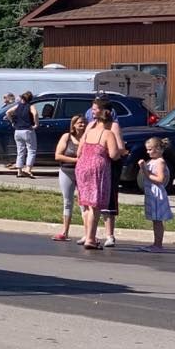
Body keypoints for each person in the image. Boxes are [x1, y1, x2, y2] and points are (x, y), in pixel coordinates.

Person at [75, 106, 120, 250]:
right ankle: (90, 239)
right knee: (95, 205)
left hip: (82, 166)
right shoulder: (108, 134)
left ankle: (90, 236)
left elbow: (79, 151)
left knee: (87, 204)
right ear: (109, 121)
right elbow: (113, 155)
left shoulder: (88, 132)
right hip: (97, 168)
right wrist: (121, 151)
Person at [85, 98, 126, 247]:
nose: (92, 111)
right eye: (92, 108)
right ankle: (89, 234)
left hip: (110, 165)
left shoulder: (113, 126)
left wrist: (103, 150)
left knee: (107, 199)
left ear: (104, 111)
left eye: (95, 108)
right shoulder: (91, 125)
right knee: (90, 200)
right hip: (93, 165)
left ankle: (109, 235)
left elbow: (119, 149)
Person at [52, 116, 86, 241]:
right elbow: (58, 155)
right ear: (74, 125)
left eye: (84, 123)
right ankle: (65, 232)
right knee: (68, 201)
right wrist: (76, 160)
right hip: (66, 171)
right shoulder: (67, 137)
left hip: (82, 173)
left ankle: (88, 234)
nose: (82, 124)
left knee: (84, 203)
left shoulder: (87, 138)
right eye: (80, 123)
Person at [138, 137, 173, 252]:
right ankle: (155, 243)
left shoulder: (160, 162)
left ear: (158, 149)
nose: (148, 152)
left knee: (158, 220)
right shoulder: (152, 161)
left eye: (150, 149)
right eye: (147, 150)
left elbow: (160, 179)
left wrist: (145, 171)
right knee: (154, 220)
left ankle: (158, 244)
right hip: (151, 193)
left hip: (157, 194)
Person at [5, 91, 38, 178]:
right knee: (31, 150)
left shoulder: (17, 106)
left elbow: (7, 112)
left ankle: (19, 171)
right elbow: (35, 113)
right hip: (27, 130)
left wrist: (12, 121)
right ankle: (28, 169)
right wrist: (36, 124)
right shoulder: (30, 106)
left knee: (20, 151)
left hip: (17, 131)